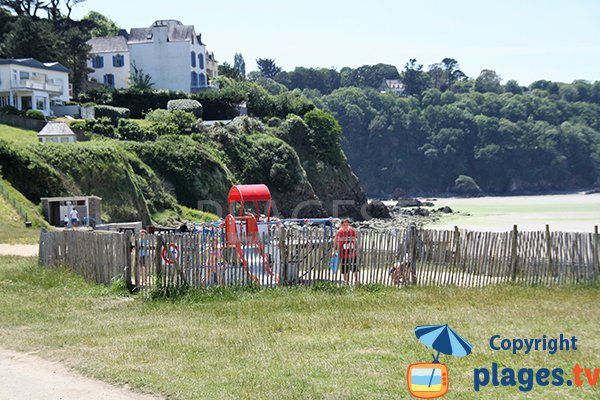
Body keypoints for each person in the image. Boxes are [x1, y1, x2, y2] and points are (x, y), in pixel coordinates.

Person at [333, 219, 360, 285]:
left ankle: (357, 281)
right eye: (344, 225)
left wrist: (357, 249)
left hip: (353, 253)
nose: (346, 226)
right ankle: (346, 282)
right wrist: (334, 251)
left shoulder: (352, 230)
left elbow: (355, 239)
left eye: (347, 224)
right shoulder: (339, 232)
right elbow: (335, 242)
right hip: (343, 254)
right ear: (341, 225)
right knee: (344, 270)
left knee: (355, 268)